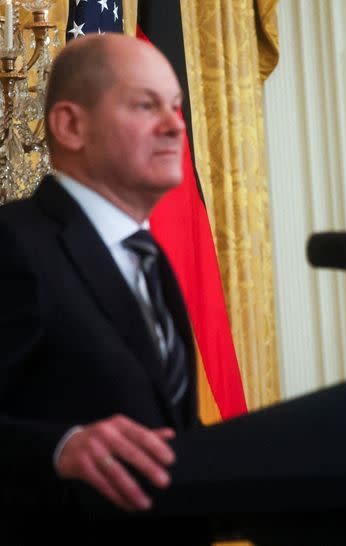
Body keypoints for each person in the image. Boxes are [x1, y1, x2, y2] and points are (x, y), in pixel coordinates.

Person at [0, 34, 202, 539]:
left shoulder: (149, 259)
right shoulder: (11, 243)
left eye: (176, 107)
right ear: (70, 125)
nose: (176, 126)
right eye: (145, 105)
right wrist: (59, 447)